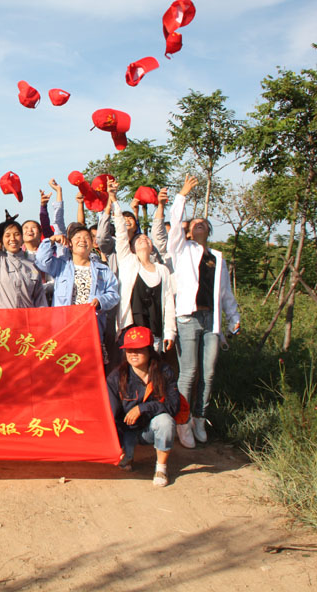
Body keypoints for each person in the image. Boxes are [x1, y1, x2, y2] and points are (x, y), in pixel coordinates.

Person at [167, 174, 241, 446]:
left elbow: (226, 292)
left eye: (203, 223)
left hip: (212, 320)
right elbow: (175, 223)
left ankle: (200, 417)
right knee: (188, 372)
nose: (198, 224)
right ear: (188, 231)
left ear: (208, 230)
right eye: (194, 223)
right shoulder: (181, 249)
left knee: (208, 372)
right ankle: (182, 421)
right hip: (188, 317)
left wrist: (234, 318)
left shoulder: (217, 258)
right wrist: (182, 195)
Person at [35, 215, 119, 361]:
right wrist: (51, 240)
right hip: (64, 327)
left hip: (90, 328)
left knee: (89, 366)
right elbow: (41, 261)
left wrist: (100, 300)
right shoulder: (61, 265)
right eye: (78, 237)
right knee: (64, 365)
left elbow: (114, 294)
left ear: (92, 243)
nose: (82, 240)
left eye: (87, 238)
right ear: (70, 243)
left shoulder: (103, 270)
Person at [107, 181, 176, 354]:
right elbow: (121, 232)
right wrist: (114, 199)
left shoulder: (162, 270)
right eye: (138, 239)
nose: (143, 239)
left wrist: (170, 331)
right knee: (132, 364)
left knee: (153, 366)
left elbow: (168, 302)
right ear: (132, 247)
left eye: (146, 238)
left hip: (156, 331)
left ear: (152, 246)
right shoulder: (127, 261)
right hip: (131, 328)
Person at [107, 326, 180, 487]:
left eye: (139, 349)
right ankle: (128, 453)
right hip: (128, 432)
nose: (133, 354)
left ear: (149, 350)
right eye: (129, 349)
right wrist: (115, 447)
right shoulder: (116, 377)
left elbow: (174, 406)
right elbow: (110, 415)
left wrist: (143, 408)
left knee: (165, 422)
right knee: (124, 464)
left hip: (151, 429)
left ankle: (161, 468)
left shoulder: (164, 371)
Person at [0, 178, 46, 308]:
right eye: (7, 235)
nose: (12, 239)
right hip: (2, 318)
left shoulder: (32, 265)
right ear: (1, 239)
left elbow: (40, 301)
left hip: (27, 318)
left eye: (16, 234)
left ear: (22, 238)